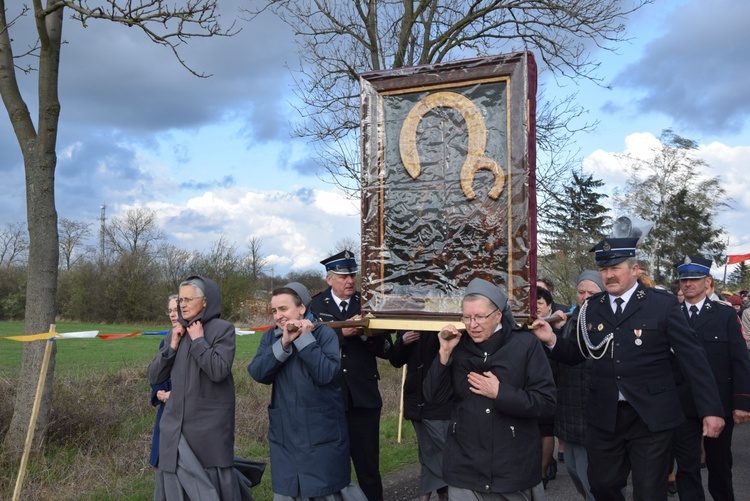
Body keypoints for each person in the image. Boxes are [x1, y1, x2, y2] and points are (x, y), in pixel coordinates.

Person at [531, 237, 725, 501]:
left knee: (648, 491)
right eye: (603, 269)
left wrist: (711, 410)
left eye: (616, 268)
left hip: (651, 415)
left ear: (634, 270)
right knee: (601, 485)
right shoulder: (592, 307)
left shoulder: (661, 304)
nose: (609, 275)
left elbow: (693, 359)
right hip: (605, 415)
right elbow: (579, 353)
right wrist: (551, 339)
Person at [424, 278, 556, 499]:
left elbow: (546, 402)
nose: (472, 324)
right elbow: (433, 398)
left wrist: (500, 393)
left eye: (479, 317)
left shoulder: (525, 344)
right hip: (464, 469)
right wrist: (444, 355)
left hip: (511, 471)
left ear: (498, 315)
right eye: (466, 317)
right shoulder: (458, 346)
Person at [248, 282, 366, 501]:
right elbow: (258, 373)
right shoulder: (271, 337)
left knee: (326, 490)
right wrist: (283, 344)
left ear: (302, 308)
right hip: (285, 435)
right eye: (274, 311)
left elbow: (325, 373)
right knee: (289, 490)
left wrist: (304, 339)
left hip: (322, 433)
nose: (278, 316)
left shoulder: (324, 334)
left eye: (283, 309)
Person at [309, 250, 392, 501]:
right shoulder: (314, 306)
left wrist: (366, 333)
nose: (350, 281)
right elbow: (309, 345)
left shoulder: (366, 303)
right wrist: (342, 335)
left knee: (368, 469)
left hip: (363, 400)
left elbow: (386, 348)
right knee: (332, 469)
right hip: (329, 399)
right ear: (329, 279)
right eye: (343, 276)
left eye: (352, 275)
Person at [148, 276, 240, 500]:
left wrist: (199, 342)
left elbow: (219, 371)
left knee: (210, 487)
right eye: (181, 300)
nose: (183, 304)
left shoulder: (223, 330)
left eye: (189, 299)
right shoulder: (174, 332)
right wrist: (171, 347)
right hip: (174, 426)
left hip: (208, 428)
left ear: (206, 301)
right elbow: (154, 376)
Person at [671, 255, 750, 501]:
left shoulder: (725, 315)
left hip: (719, 402)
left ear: (708, 281)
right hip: (681, 404)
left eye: (694, 278)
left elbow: (739, 360)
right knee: (687, 467)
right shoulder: (670, 315)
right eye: (684, 279)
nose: (688, 284)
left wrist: (742, 402)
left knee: (720, 466)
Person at [548, 271, 605, 501]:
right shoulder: (569, 323)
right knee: (573, 470)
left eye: (592, 292)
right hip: (568, 411)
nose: (585, 297)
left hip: (595, 416)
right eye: (582, 292)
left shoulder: (609, 323)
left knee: (597, 478)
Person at [389, 330, 450, 501]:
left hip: (442, 399)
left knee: (442, 452)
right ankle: (439, 495)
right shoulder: (408, 322)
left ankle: (436, 494)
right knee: (428, 453)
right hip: (416, 400)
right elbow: (396, 360)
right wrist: (402, 342)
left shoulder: (444, 318)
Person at [149, 294, 178, 500]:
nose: (173, 314)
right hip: (165, 412)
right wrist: (158, 391)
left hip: (187, 415)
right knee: (163, 467)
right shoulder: (166, 339)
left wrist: (175, 394)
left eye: (177, 309)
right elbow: (158, 372)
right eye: (170, 310)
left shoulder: (198, 338)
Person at [536, 286, 558, 487]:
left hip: (551, 384)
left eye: (540, 304)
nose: (536, 309)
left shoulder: (558, 324)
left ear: (549, 305)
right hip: (531, 385)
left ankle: (543, 471)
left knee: (546, 430)